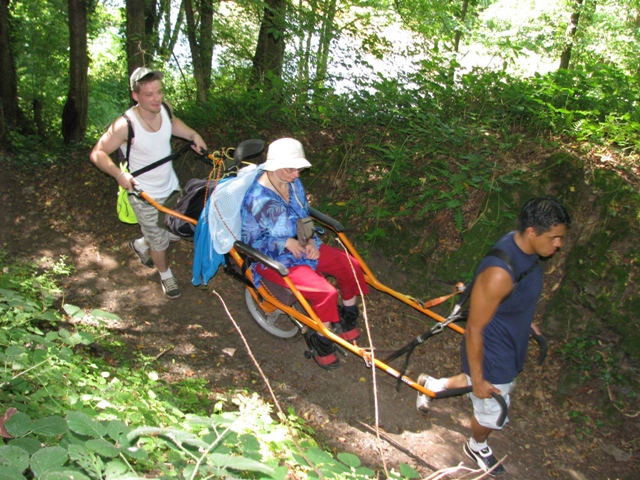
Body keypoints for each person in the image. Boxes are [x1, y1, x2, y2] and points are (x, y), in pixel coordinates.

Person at [416, 197, 570, 477]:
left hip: (512, 333)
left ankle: (432, 384)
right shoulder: (500, 272)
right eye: (555, 238)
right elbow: (474, 329)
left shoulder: (522, 244)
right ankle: (477, 444)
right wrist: (480, 378)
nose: (558, 244)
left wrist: (526, 320)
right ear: (533, 231)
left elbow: (513, 296)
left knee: (484, 382)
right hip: (493, 344)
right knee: (493, 404)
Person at [241, 138, 369, 370]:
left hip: (302, 246)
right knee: (326, 292)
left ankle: (348, 316)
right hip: (273, 259)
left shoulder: (292, 184)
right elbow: (250, 242)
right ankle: (320, 340)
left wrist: (309, 240)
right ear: (273, 166)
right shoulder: (256, 199)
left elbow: (302, 215)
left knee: (350, 265)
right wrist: (283, 242)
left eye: (299, 168)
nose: (296, 174)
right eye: (291, 169)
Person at [90, 67, 207, 299]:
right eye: (149, 94)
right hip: (144, 195)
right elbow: (98, 152)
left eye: (159, 92)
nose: (157, 99)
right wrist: (119, 175)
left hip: (171, 187)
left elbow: (172, 124)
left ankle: (141, 244)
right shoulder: (125, 125)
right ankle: (165, 275)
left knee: (175, 229)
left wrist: (194, 135)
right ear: (135, 95)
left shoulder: (164, 109)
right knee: (160, 241)